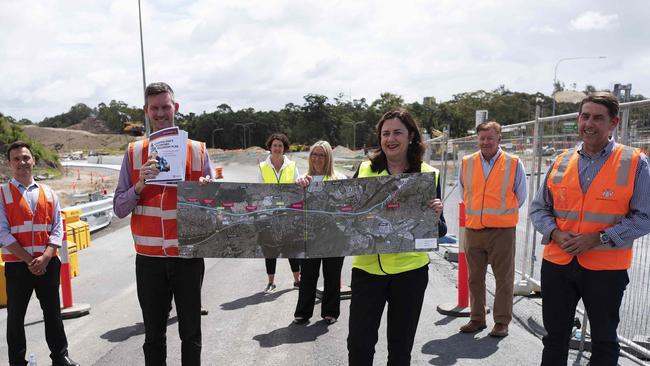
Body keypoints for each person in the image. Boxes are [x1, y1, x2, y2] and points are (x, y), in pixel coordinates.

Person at [530, 92, 650, 365]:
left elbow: (645, 217)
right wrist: (556, 233)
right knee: (555, 338)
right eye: (585, 116)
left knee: (605, 341)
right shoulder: (560, 161)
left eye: (598, 118)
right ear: (578, 119)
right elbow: (539, 208)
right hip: (558, 263)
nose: (589, 123)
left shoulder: (634, 163)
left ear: (613, 123)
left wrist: (599, 238)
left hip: (606, 270)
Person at [113, 82, 213, 366]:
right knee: (153, 336)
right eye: (154, 108)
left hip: (188, 256)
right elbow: (119, 208)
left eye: (165, 107)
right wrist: (140, 184)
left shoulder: (198, 151)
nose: (160, 113)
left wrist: (207, 189)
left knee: (191, 333)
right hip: (150, 260)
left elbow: (214, 207)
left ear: (176, 108)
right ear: (146, 111)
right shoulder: (134, 153)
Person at [347, 110, 447, 366]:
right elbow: (343, 212)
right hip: (368, 271)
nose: (390, 139)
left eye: (397, 132)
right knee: (359, 345)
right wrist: (308, 183)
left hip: (410, 273)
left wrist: (436, 216)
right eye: (385, 133)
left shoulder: (427, 174)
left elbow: (439, 231)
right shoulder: (366, 169)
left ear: (411, 136)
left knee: (401, 348)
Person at [0, 141, 79, 366]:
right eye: (16, 159)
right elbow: (2, 232)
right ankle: (17, 362)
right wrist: (30, 260)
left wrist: (45, 257)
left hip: (48, 263)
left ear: (33, 160)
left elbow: (57, 228)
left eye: (25, 157)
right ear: (9, 163)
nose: (22, 163)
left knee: (53, 313)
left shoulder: (49, 193)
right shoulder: (2, 194)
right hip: (17, 265)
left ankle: (60, 356)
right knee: (16, 317)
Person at [457, 121, 527, 338]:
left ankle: (501, 322)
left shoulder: (514, 163)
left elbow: (521, 196)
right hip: (474, 230)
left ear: (499, 139)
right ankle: (477, 319)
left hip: (502, 232)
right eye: (482, 138)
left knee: (503, 279)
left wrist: (500, 215)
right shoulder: (467, 162)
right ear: (477, 139)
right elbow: (463, 192)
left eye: (490, 138)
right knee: (474, 278)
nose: (486, 142)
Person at [292, 141, 346, 325]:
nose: (317, 158)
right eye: (314, 154)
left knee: (332, 275)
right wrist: (297, 185)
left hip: (334, 235)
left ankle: (330, 311)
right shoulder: (303, 179)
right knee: (308, 274)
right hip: (310, 235)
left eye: (321, 155)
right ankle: (303, 312)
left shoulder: (339, 178)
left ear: (328, 157)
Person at [258, 133, 301, 293]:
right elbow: (259, 191)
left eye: (280, 146)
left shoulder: (292, 166)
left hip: (288, 215)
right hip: (269, 215)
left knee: (292, 249)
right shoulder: (262, 167)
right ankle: (271, 282)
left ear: (284, 148)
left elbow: (297, 188)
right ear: (270, 147)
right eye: (275, 145)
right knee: (269, 249)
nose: (277, 148)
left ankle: (297, 280)